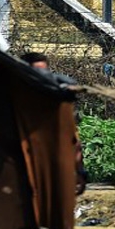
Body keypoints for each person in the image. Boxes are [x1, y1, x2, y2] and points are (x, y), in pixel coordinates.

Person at [21, 52, 87, 196]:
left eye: (45, 72)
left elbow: (74, 143)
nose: (43, 76)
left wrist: (80, 171)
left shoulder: (59, 107)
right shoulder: (18, 106)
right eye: (37, 72)